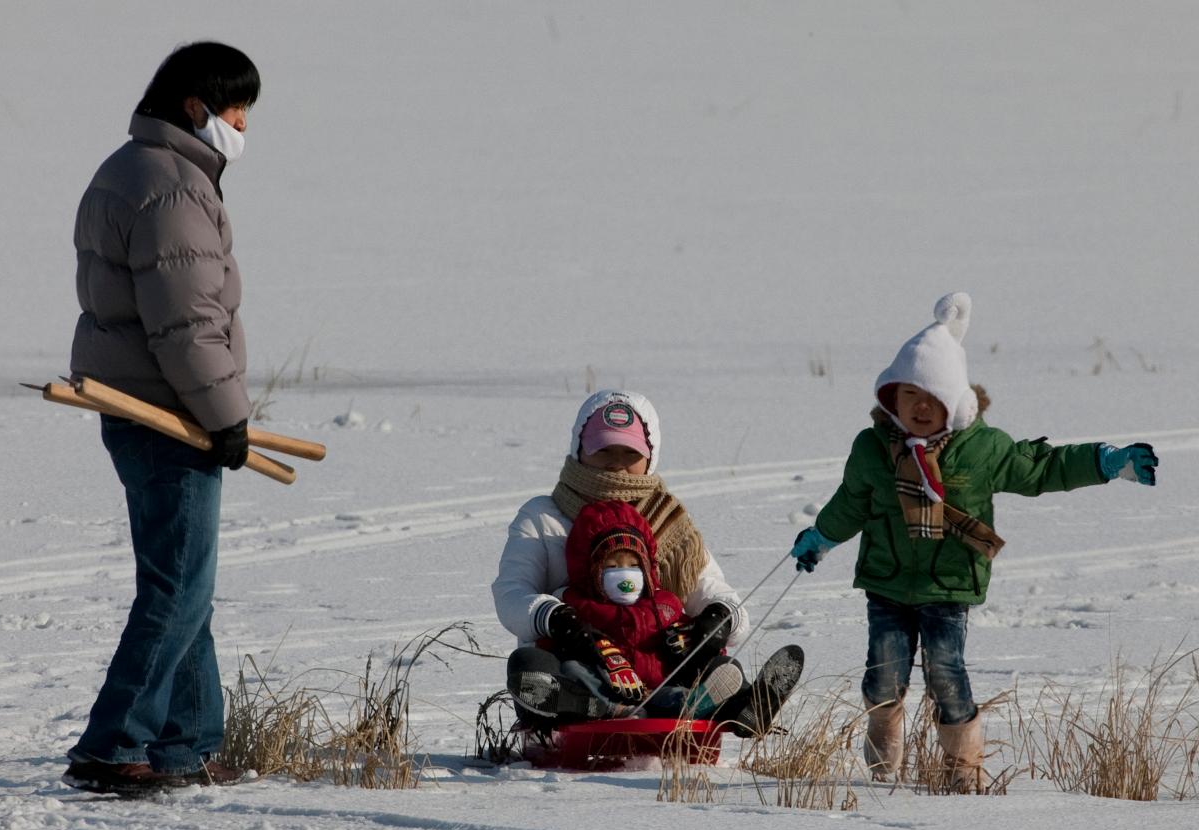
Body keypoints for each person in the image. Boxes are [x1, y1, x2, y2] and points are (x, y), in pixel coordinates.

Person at [790, 292, 1158, 792]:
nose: (920, 408)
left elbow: (1039, 468)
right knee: (882, 680)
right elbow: (852, 502)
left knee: (945, 676)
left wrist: (1105, 461)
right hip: (889, 583)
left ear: (955, 404)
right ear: (889, 398)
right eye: (909, 395)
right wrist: (821, 537)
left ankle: (964, 775)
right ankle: (882, 771)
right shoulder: (872, 449)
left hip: (949, 585)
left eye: (933, 399)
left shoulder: (981, 448)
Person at [62, 41, 262, 795]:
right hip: (166, 411)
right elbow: (186, 321)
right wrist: (226, 414)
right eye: (238, 109)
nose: (245, 125)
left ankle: (186, 744)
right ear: (195, 107)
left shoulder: (133, 168)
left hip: (143, 404)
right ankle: (115, 743)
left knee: (186, 584)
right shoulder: (172, 187)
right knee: (178, 587)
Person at [493, 389, 803, 734]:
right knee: (529, 665)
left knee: (716, 666)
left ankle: (743, 708)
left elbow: (719, 595)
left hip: (659, 664)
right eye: (603, 449)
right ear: (579, 448)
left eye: (630, 452)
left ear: (650, 456)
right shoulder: (542, 516)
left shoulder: (668, 523)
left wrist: (718, 619)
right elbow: (511, 594)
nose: (616, 462)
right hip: (579, 658)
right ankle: (586, 707)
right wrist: (553, 618)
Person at [549, 499, 746, 718]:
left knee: (677, 691)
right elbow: (556, 637)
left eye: (633, 565)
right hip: (609, 687)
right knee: (574, 670)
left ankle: (701, 704)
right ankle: (612, 710)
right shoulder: (579, 604)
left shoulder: (664, 603)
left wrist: (689, 639)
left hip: (657, 687)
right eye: (612, 566)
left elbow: (682, 629)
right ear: (593, 571)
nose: (624, 574)